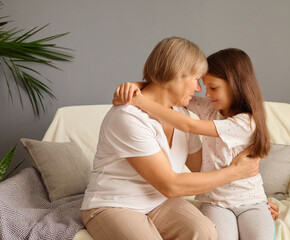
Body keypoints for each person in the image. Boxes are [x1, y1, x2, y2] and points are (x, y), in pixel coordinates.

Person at [81, 37, 275, 240]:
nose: (200, 89)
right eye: (196, 79)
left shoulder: (181, 113)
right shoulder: (128, 117)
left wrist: (254, 203)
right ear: (177, 75)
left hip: (158, 202)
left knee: (206, 232)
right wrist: (235, 172)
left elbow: (203, 168)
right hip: (115, 204)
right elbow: (171, 185)